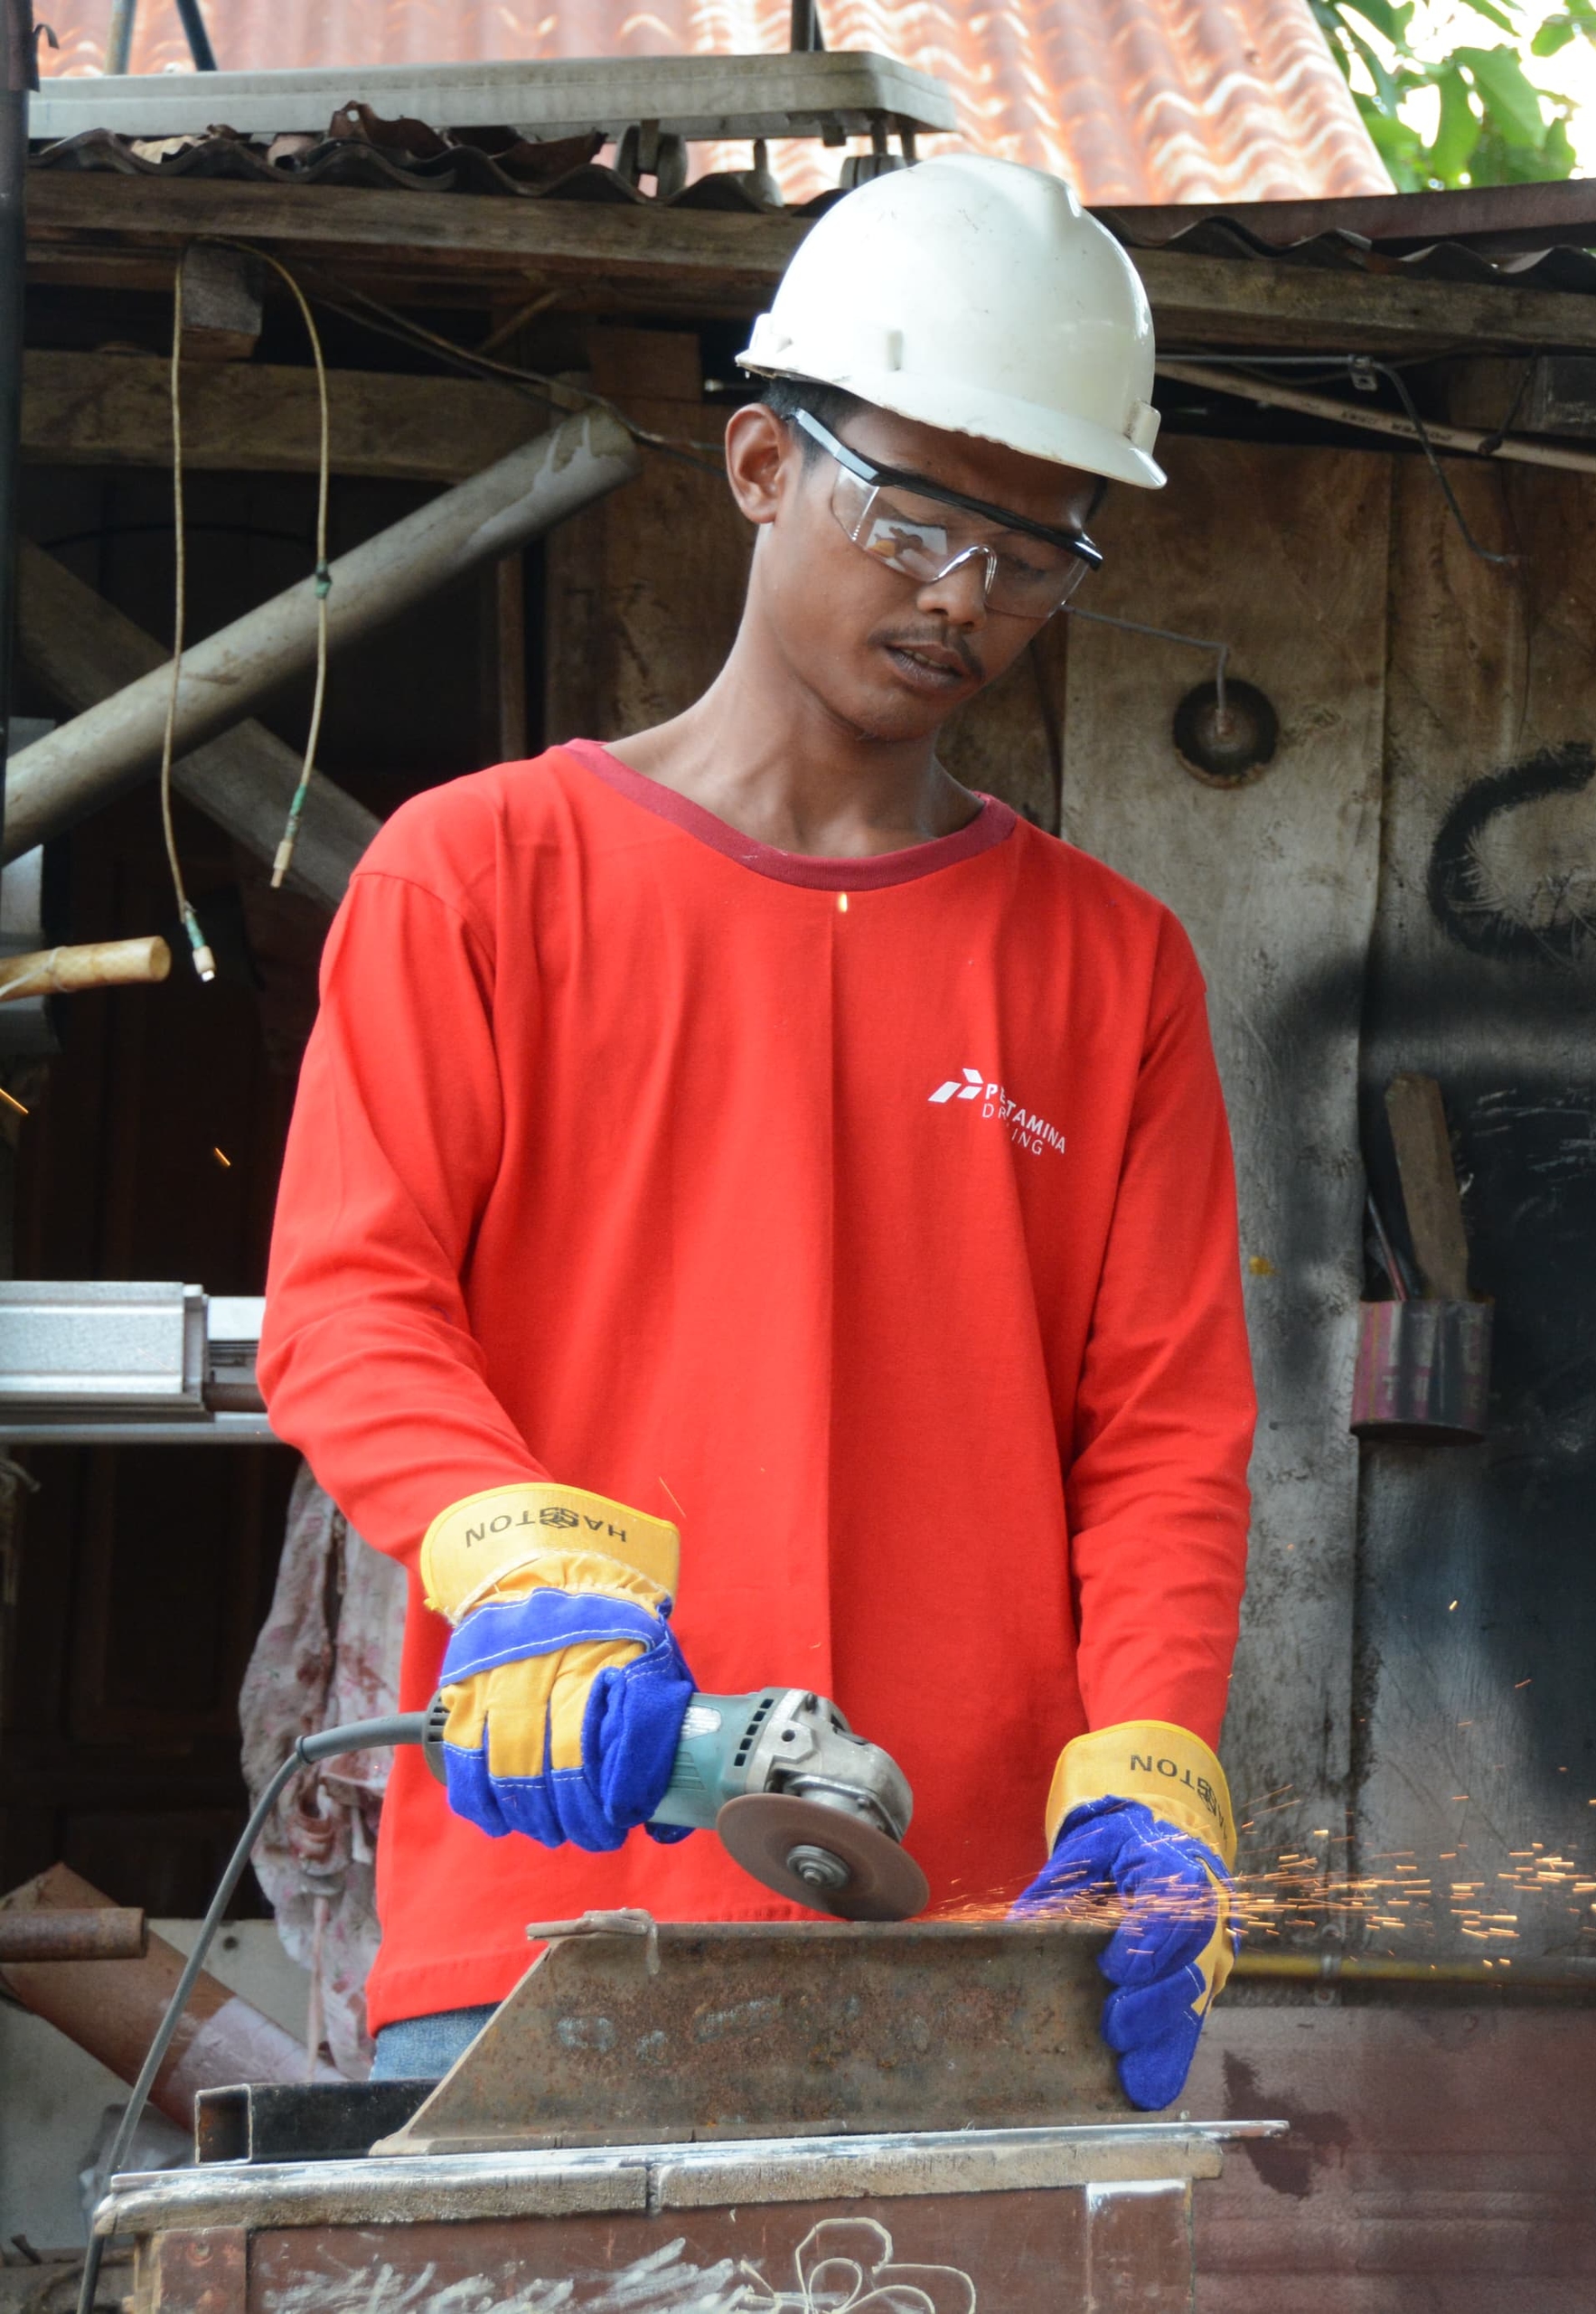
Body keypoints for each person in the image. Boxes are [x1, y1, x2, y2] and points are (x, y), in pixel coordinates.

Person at [258, 154, 1256, 2111]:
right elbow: (353, 1308)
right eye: (912, 513)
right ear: (757, 464)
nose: (963, 595)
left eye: (1036, 548)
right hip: (556, 1913)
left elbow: (1162, 1439)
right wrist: (535, 1574)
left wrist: (1149, 1770)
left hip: (976, 1943)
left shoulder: (1109, 968)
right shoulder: (482, 873)